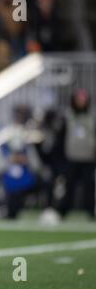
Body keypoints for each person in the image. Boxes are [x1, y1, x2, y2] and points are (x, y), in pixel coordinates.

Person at [56, 89, 96, 220]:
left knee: (89, 186)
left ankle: (90, 210)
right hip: (71, 157)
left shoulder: (91, 117)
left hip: (88, 158)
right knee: (69, 185)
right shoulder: (68, 116)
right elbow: (61, 138)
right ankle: (63, 211)